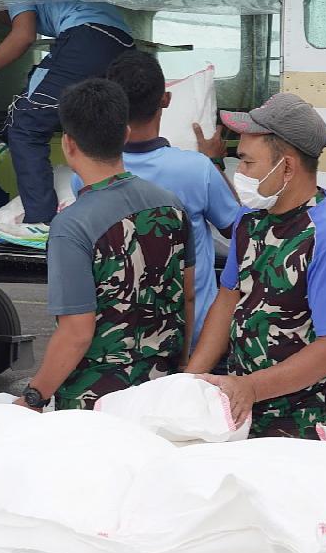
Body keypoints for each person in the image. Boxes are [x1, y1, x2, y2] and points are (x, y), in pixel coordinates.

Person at [183, 93, 326, 438]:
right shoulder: (250, 219)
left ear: (286, 167)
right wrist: (190, 379)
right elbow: (228, 299)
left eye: (248, 163)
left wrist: (251, 387)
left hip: (309, 426)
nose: (239, 172)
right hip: (247, 414)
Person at [15, 79, 195, 412]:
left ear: (68, 145)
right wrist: (182, 366)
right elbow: (187, 295)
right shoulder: (171, 206)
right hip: (162, 391)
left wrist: (34, 396)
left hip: (97, 402)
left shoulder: (72, 226)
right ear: (125, 134)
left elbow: (76, 333)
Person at [71, 50, 240, 344]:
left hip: (121, 339)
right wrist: (214, 162)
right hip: (192, 339)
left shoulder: (85, 174)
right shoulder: (197, 170)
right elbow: (236, 229)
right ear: (166, 99)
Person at [0, 1, 134, 225]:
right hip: (122, 41)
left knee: (27, 122)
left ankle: (39, 221)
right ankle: (0, 143)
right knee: (46, 94)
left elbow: (23, 35)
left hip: (87, 35)